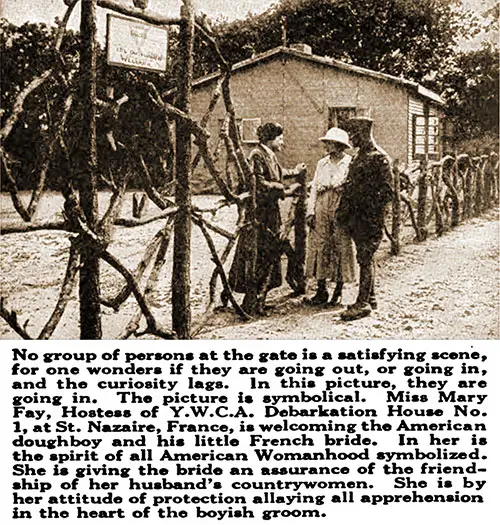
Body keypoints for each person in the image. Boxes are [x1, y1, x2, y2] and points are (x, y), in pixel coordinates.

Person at [226, 123, 306, 314]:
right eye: (280, 138)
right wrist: (285, 191)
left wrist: (295, 171)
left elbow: (279, 173)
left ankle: (260, 297)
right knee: (260, 254)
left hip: (271, 213)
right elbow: (259, 183)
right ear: (270, 139)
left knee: (270, 253)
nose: (282, 141)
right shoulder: (256, 155)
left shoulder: (269, 155)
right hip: (260, 214)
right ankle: (252, 301)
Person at [336, 117, 393, 321]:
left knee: (365, 258)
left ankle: (363, 303)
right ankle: (371, 296)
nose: (351, 139)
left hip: (369, 218)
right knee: (365, 258)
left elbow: (387, 192)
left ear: (363, 134)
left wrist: (367, 209)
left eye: (354, 135)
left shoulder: (379, 158)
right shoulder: (360, 156)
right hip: (356, 218)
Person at [305, 127, 356, 307]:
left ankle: (339, 290)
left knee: (340, 245)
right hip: (322, 206)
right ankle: (321, 290)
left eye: (329, 142)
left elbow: (352, 190)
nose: (326, 145)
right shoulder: (322, 164)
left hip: (340, 207)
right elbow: (314, 189)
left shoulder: (350, 163)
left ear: (339, 145)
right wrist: (310, 211)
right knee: (321, 244)